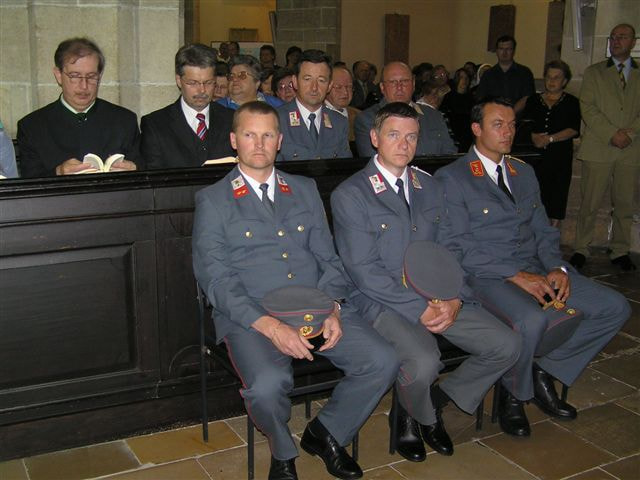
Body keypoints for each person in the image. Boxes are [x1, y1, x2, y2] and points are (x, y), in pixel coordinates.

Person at [192, 101, 398, 480]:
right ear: (234, 140)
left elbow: (328, 258)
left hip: (315, 305)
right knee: (267, 387)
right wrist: (272, 328)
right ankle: (282, 451)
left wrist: (333, 307)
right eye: (250, 135)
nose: (259, 144)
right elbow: (216, 281)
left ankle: (327, 433)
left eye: (267, 135)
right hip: (252, 317)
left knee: (382, 359)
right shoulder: (214, 200)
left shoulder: (303, 189)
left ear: (280, 140)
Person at [331, 102, 520, 462]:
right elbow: (364, 271)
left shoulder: (430, 187)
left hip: (439, 296)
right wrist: (419, 308)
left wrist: (455, 298)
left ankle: (427, 401)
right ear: (374, 138)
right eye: (394, 135)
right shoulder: (351, 194)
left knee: (506, 344)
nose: (404, 144)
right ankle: (420, 418)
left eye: (411, 137)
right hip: (383, 301)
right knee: (422, 361)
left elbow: (450, 249)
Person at [436, 99, 630, 438]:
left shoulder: (523, 172)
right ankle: (513, 395)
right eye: (498, 124)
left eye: (512, 124)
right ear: (476, 129)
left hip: (536, 267)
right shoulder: (453, 178)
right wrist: (515, 275)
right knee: (531, 320)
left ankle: (545, 370)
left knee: (614, 307)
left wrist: (556, 267)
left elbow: (543, 231)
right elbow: (457, 248)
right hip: (488, 275)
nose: (508, 132)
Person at [17, 37, 139, 178]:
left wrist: (135, 169)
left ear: (99, 76)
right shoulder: (32, 126)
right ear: (58, 75)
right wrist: (58, 172)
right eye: (75, 76)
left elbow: (145, 169)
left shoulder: (124, 120)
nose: (84, 86)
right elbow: (29, 183)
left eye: (91, 76)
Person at [570, 23, 639, 272]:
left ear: (633, 42)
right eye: (613, 37)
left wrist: (629, 133)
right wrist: (612, 134)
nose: (616, 41)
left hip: (630, 149)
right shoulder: (594, 72)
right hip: (599, 146)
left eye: (622, 37)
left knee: (624, 204)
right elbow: (587, 107)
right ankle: (581, 248)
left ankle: (620, 250)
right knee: (590, 202)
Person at [140, 44, 234, 170]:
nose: (202, 90)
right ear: (179, 80)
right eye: (193, 83)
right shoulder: (155, 125)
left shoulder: (232, 119)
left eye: (208, 82)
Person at [521, 60, 581, 226]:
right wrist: (533, 136)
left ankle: (551, 234)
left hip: (559, 157)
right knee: (533, 196)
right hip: (535, 159)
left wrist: (550, 138)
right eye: (548, 77)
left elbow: (573, 129)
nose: (552, 81)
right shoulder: (533, 100)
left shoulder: (572, 102)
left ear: (565, 81)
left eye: (556, 77)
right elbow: (525, 125)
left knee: (556, 198)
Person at [354, 61, 457, 158]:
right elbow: (374, 160)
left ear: (413, 84)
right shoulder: (367, 119)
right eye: (393, 82)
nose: (399, 87)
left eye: (405, 81)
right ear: (382, 87)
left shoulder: (434, 116)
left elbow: (450, 155)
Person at [276, 49, 351, 161]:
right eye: (307, 79)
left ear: (329, 85)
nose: (314, 87)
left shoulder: (339, 122)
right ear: (295, 82)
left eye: (321, 80)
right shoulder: (277, 119)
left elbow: (345, 166)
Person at [475, 36, 534, 114]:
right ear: (497, 51)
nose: (504, 52)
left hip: (518, 118)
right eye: (501, 49)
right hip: (494, 116)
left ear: (513, 51)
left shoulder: (524, 72)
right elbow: (481, 98)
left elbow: (527, 97)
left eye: (508, 49)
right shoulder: (488, 75)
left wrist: (510, 113)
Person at [216, 54, 283, 110]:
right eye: (232, 76)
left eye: (242, 75)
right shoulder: (217, 108)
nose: (235, 79)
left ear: (257, 83)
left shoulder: (277, 106)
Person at [441, 68, 474, 152]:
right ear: (457, 79)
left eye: (466, 78)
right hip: (452, 135)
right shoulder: (448, 97)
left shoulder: (472, 99)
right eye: (461, 77)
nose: (464, 80)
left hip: (467, 136)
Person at [324, 65, 360, 142]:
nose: (345, 92)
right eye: (338, 87)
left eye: (349, 87)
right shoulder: (316, 116)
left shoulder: (360, 117)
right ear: (326, 87)